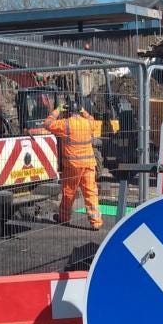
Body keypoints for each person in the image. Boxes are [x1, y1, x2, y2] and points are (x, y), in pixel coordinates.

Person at [43, 97, 102, 230]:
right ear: (78, 111)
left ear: (67, 112)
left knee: (69, 193)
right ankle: (96, 222)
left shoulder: (65, 124)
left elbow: (47, 124)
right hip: (89, 164)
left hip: (73, 166)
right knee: (91, 193)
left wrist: (57, 110)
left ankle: (64, 218)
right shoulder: (87, 123)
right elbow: (94, 122)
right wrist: (84, 111)